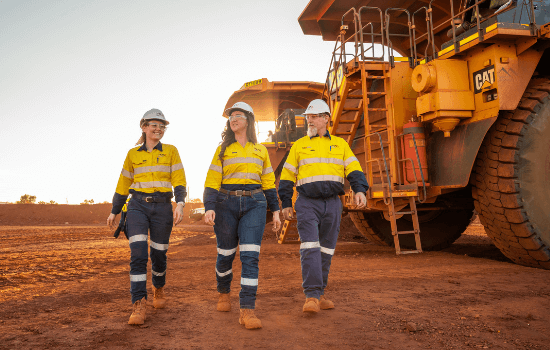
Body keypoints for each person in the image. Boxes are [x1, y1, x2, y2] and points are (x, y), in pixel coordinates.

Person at [278, 99, 369, 314]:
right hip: (307, 203)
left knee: (326, 250)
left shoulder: (340, 145)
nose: (309, 120)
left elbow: (354, 169)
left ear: (326, 119)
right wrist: (285, 203)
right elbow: (287, 176)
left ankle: (320, 294)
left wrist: (360, 190)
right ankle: (311, 295)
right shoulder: (299, 145)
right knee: (310, 247)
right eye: (307, 117)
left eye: (313, 116)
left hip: (333, 204)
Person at [203, 101, 282, 330]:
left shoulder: (261, 151)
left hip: (255, 203)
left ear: (248, 119)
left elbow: (268, 183)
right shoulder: (223, 150)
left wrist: (275, 211)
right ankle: (223, 292)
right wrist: (209, 206)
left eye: (237, 115)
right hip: (225, 203)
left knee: (250, 257)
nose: (233, 119)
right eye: (230, 116)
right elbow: (211, 181)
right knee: (225, 254)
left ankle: (247, 309)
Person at [107, 108, 187, 325]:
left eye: (162, 126)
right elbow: (123, 183)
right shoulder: (133, 154)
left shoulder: (171, 151)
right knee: (139, 255)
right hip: (137, 207)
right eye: (154, 125)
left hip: (162, 208)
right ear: (143, 127)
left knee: (159, 254)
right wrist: (115, 210)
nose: (158, 129)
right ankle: (138, 303)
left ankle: (158, 288)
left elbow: (179, 178)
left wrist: (179, 203)